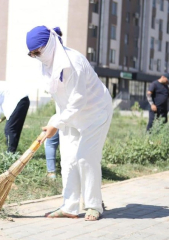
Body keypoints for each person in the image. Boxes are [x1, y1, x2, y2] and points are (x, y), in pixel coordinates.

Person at [26, 26, 113, 221]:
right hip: (70, 115)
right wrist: (55, 121)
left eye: (38, 52)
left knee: (85, 158)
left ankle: (93, 206)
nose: (37, 57)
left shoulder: (74, 62)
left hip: (95, 113)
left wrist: (57, 123)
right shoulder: (48, 64)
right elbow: (61, 99)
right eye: (32, 55)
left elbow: (78, 100)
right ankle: (69, 206)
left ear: (49, 45)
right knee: (68, 159)